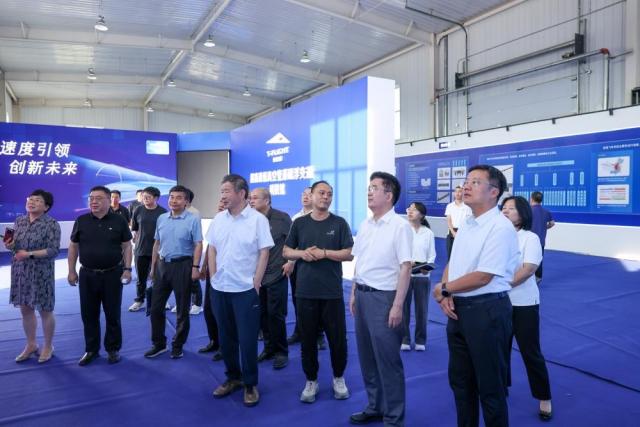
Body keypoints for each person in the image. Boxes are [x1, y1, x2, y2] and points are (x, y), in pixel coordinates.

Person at [432, 165, 519, 427]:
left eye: (476, 182)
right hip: (459, 310)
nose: (466, 186)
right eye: (467, 181)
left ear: (494, 192)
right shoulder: (468, 223)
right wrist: (446, 290)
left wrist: (445, 289)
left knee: (490, 388)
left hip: (487, 312)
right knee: (461, 384)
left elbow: (484, 276)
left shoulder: (500, 227)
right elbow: (454, 261)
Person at [349, 172, 413, 426]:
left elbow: (406, 267)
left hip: (385, 299)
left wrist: (397, 305)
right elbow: (360, 261)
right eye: (369, 187)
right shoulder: (365, 225)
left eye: (374, 188)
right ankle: (375, 406)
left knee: (388, 360)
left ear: (389, 195)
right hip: (362, 296)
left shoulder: (400, 226)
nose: (369, 191)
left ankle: (394, 417)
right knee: (367, 358)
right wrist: (353, 292)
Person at [283, 181, 354, 404]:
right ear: (312, 196)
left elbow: (348, 254)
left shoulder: (339, 223)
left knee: (337, 340)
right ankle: (311, 380)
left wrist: (324, 253)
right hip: (305, 292)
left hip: (332, 293)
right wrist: (302, 254)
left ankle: (338, 377)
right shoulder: (300, 223)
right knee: (307, 340)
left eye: (329, 194)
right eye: (321, 193)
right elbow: (286, 251)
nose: (325, 197)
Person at [206, 174, 273, 407]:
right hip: (219, 287)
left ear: (241, 193)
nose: (222, 195)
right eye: (221, 191)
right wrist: (213, 276)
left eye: (226, 191)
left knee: (247, 340)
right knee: (226, 337)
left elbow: (264, 252)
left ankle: (250, 384)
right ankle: (232, 377)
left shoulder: (257, 220)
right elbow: (212, 248)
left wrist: (257, 281)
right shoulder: (219, 219)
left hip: (245, 289)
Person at [68, 185, 133, 366]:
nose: (93, 201)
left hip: (112, 274)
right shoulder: (81, 220)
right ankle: (91, 350)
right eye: (91, 198)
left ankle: (113, 349)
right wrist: (71, 270)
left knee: (113, 314)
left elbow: (127, 246)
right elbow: (73, 246)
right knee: (88, 314)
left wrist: (128, 269)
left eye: (98, 198)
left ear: (108, 200)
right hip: (87, 275)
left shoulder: (119, 220)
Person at [501, 196, 553, 421]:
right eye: (503, 208)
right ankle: (501, 387)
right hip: (498, 303)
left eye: (511, 208)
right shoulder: (497, 236)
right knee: (499, 350)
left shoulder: (529, 238)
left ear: (523, 213)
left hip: (524, 304)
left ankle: (544, 397)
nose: (505, 211)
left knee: (530, 352)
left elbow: (528, 269)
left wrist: (500, 285)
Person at [144, 185, 203, 359]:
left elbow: (198, 244)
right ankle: (159, 344)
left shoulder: (192, 219)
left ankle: (178, 345)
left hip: (183, 266)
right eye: (171, 197)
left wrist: (195, 267)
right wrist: (153, 267)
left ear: (186, 202)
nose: (174, 200)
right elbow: (157, 243)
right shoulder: (162, 218)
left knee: (182, 310)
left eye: (179, 197)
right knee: (155, 308)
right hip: (162, 266)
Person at [6, 189, 61, 363]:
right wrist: (10, 245)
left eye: (37, 200)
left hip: (41, 273)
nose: (31, 202)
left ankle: (48, 346)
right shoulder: (19, 221)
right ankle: (31, 344)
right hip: (20, 271)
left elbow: (53, 250)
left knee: (45, 310)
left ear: (46, 207)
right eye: (30, 199)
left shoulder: (51, 224)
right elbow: (15, 246)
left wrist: (28, 254)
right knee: (25, 309)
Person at [250, 188, 293, 370]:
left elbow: (294, 240)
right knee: (261, 314)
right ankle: (268, 348)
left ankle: (281, 352)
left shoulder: (282, 218)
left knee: (276, 314)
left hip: (277, 273)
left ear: (267, 200)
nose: (251, 201)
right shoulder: (250, 219)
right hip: (256, 276)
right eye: (250, 198)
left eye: (255, 198)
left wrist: (291, 262)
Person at [401, 202, 436, 352]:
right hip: (404, 275)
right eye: (409, 209)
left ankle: (420, 340)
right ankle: (404, 339)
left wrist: (426, 268)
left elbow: (432, 256)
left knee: (422, 310)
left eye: (414, 210)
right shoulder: (402, 230)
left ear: (421, 215)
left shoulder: (428, 233)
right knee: (403, 309)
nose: (410, 211)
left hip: (422, 276)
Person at [128, 186, 166, 312]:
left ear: (156, 198)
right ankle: (139, 300)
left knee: (158, 277)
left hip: (159, 250)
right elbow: (134, 229)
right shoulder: (138, 210)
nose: (145, 199)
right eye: (143, 197)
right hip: (141, 250)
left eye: (148, 197)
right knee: (141, 278)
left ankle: (160, 299)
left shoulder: (163, 212)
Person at [198, 199, 225, 362]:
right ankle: (214, 341)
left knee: (222, 312)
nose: (221, 205)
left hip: (226, 274)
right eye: (220, 202)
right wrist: (203, 266)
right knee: (208, 308)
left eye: (225, 202)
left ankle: (225, 346)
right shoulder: (216, 222)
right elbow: (210, 246)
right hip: (211, 273)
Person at [287, 186, 312, 345]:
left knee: (315, 301)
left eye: (309, 194)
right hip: (297, 265)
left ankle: (318, 334)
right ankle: (299, 331)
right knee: (298, 299)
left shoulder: (321, 217)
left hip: (314, 267)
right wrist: (290, 262)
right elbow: (292, 243)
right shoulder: (295, 217)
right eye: (303, 194)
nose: (305, 197)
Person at [529, 191, 555, 283]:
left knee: (527, 259)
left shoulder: (529, 211)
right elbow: (552, 223)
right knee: (539, 259)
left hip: (529, 240)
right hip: (541, 240)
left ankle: (528, 277)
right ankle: (538, 277)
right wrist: (544, 227)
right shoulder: (546, 211)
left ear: (531, 199)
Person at [185, 188, 203, 315]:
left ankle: (197, 304)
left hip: (191, 251)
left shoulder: (194, 213)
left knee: (193, 279)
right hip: (180, 252)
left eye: (179, 197)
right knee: (181, 280)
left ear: (187, 199)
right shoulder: (176, 212)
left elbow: (196, 237)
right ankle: (184, 303)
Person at [444, 185, 471, 260]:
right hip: (451, 233)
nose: (457, 193)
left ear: (463, 193)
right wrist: (453, 232)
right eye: (456, 191)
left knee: (461, 257)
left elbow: (469, 222)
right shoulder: (449, 206)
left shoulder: (467, 207)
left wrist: (461, 233)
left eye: (460, 191)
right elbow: (449, 220)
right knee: (450, 256)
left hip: (463, 233)